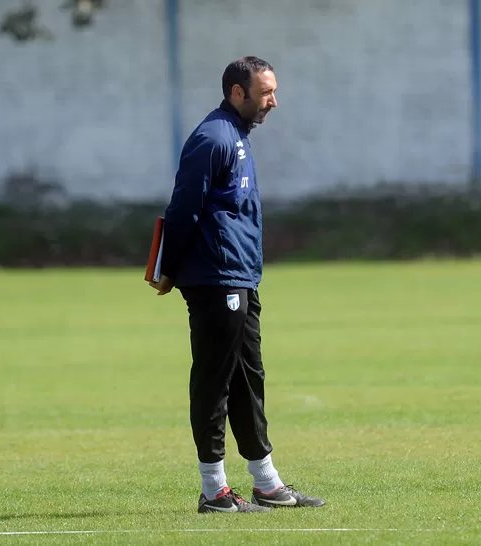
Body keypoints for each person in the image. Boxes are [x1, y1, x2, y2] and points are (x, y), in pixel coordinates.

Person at [148, 56, 326, 514]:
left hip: (240, 276)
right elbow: (184, 209)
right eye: (265, 93)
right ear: (236, 92)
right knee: (214, 380)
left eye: (273, 91)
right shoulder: (213, 138)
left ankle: (266, 482)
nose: (274, 101)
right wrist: (168, 268)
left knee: (249, 379)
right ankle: (214, 491)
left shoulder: (237, 137)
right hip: (215, 277)